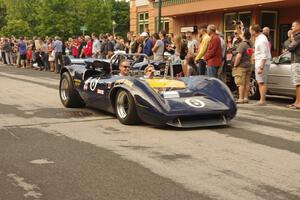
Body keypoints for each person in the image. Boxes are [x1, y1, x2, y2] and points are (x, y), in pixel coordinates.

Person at [250, 24, 272, 106]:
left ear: (253, 31)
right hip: (259, 62)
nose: (250, 31)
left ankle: (262, 100)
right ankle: (262, 100)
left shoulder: (262, 40)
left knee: (262, 82)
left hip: (262, 63)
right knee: (260, 82)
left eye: (250, 30)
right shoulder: (258, 38)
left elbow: (264, 54)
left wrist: (261, 67)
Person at [232, 29, 253, 104]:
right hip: (249, 65)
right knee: (247, 83)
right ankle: (246, 98)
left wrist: (235, 65)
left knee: (240, 83)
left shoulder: (242, 44)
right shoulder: (250, 44)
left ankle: (240, 98)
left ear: (244, 35)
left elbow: (239, 56)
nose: (240, 34)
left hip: (241, 66)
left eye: (242, 33)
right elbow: (250, 54)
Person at [287, 19, 300, 109]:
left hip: (297, 61)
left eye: (293, 26)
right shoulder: (296, 36)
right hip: (295, 61)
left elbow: (291, 47)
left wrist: (291, 38)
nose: (291, 28)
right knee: (297, 83)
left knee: (298, 83)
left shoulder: (298, 36)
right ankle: (297, 101)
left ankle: (299, 103)